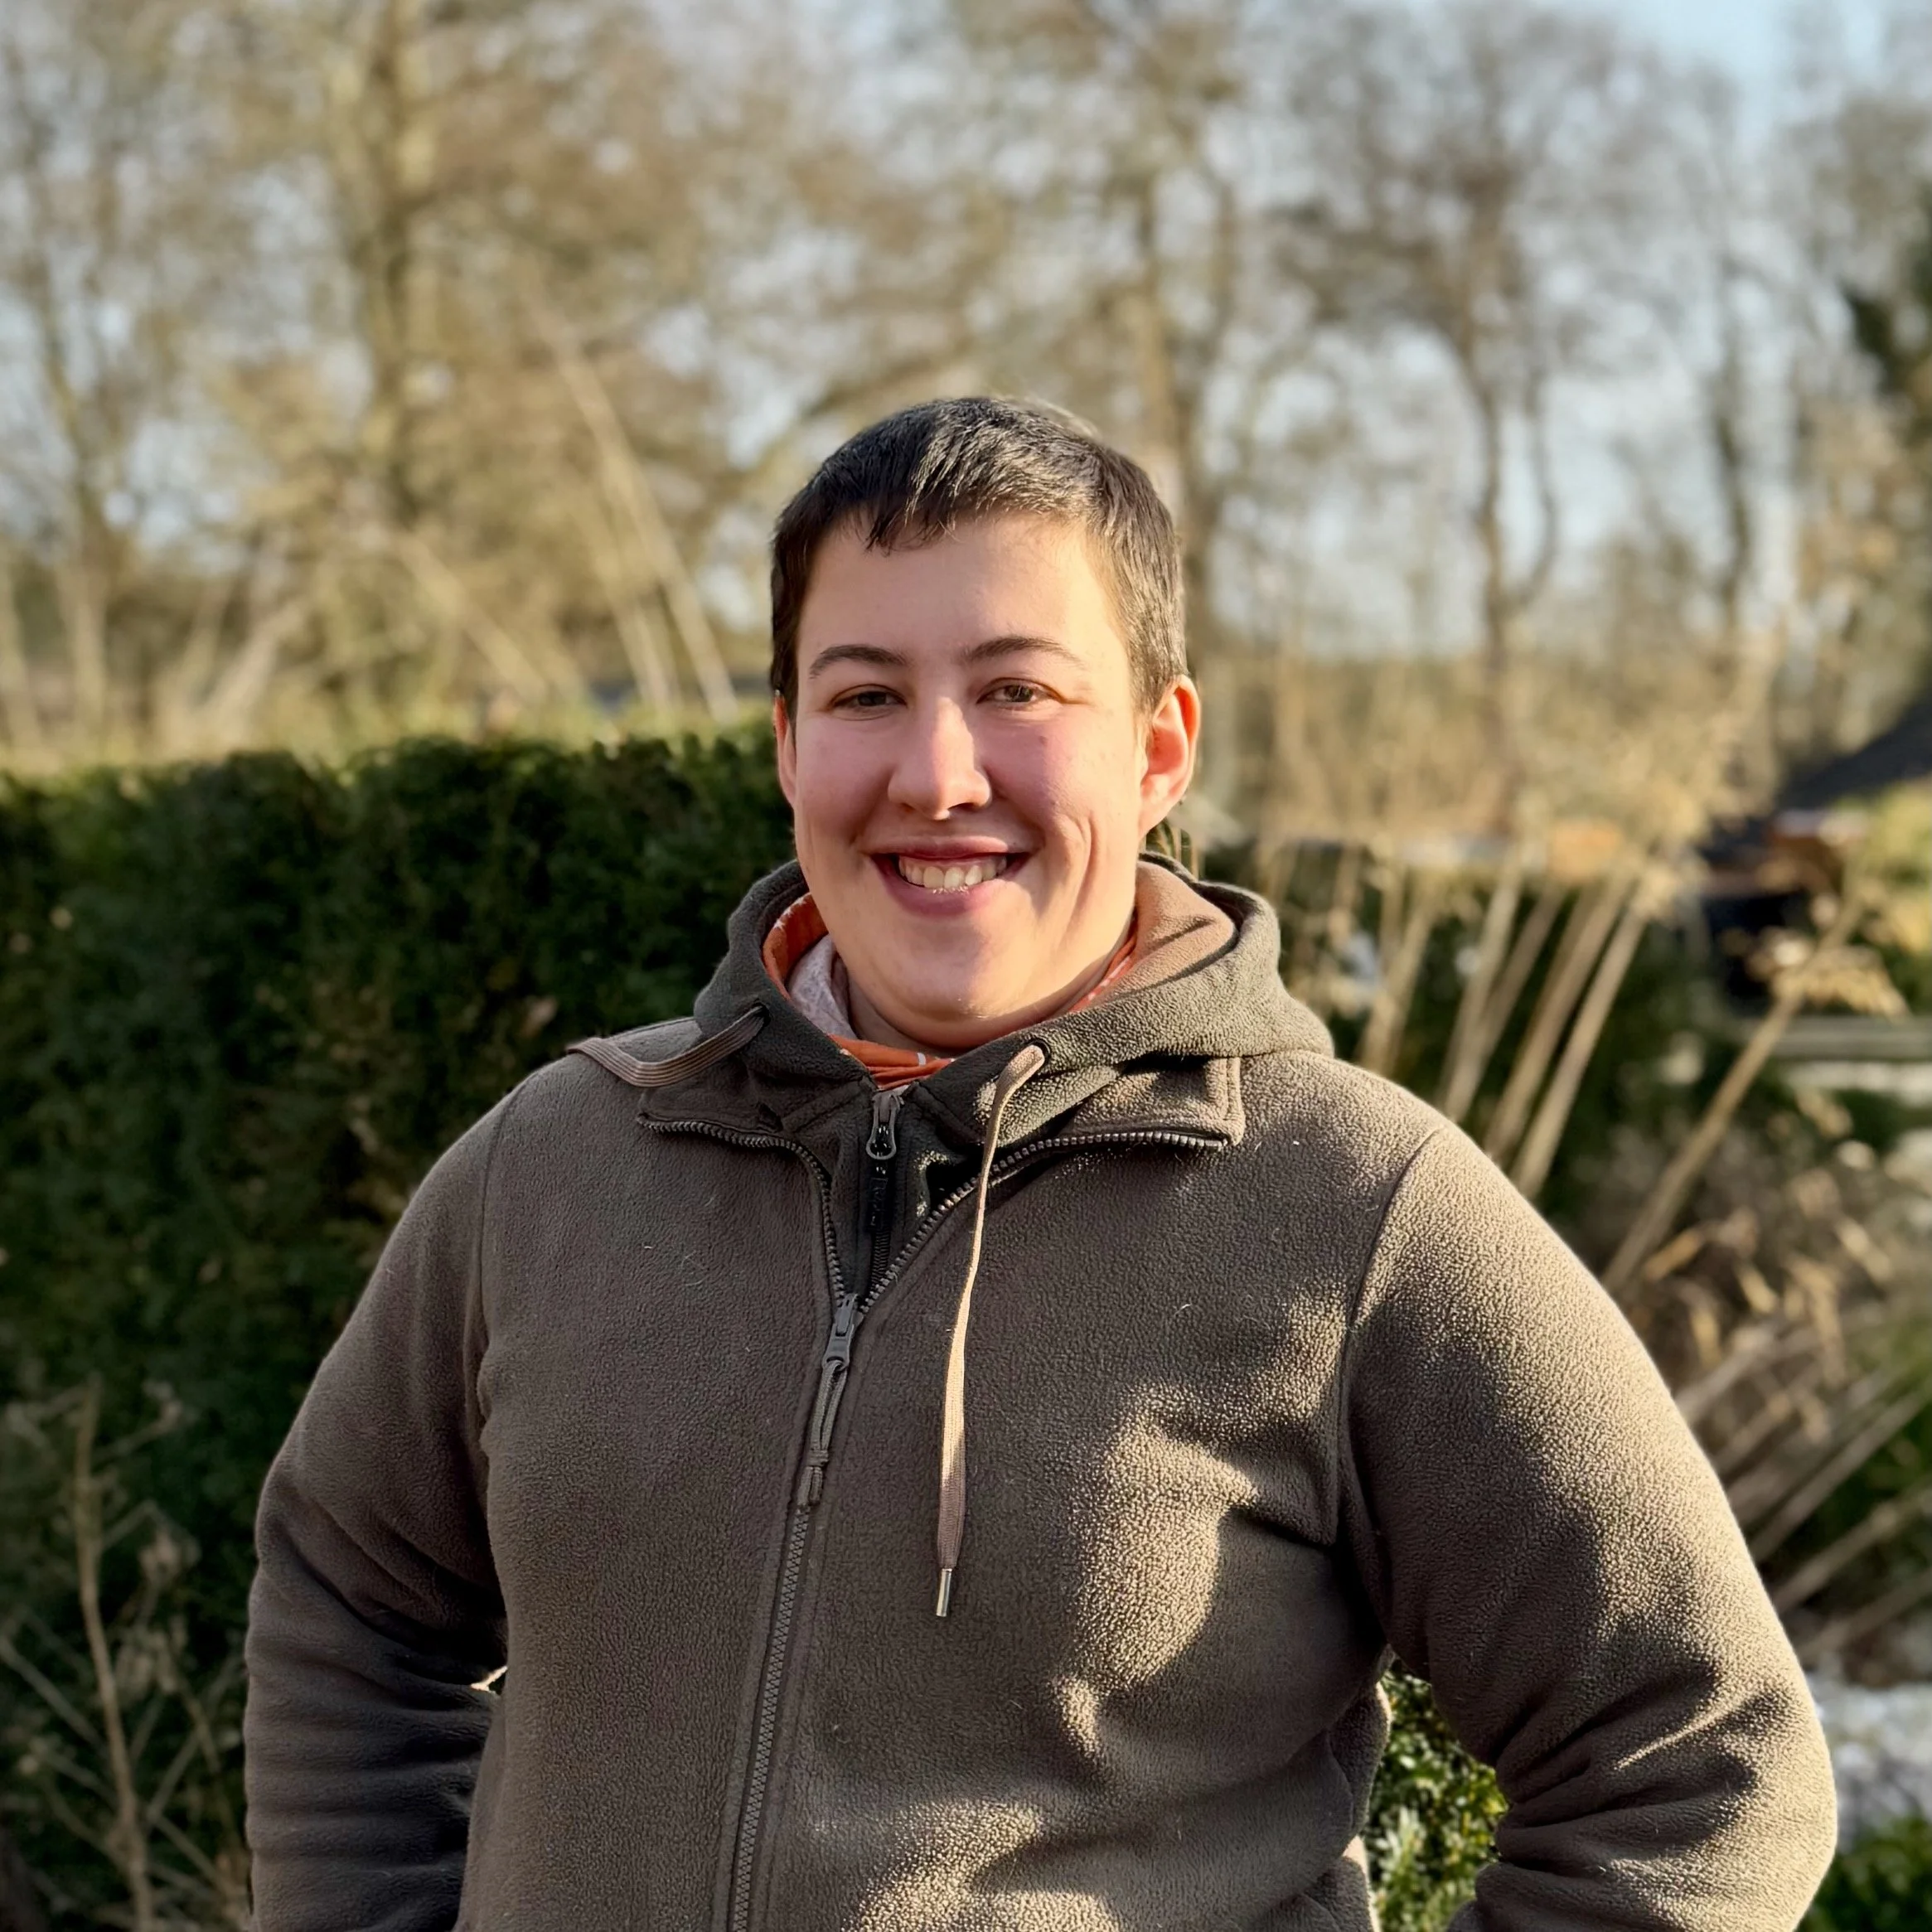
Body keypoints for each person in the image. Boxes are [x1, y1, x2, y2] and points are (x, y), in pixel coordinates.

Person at [244, 397, 1837, 1931]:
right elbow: (348, 1598)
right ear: (788, 745)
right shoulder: (555, 1168)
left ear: (1157, 750)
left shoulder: (1353, 1210)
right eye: (866, 695)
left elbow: (1703, 1762)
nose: (938, 774)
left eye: (1017, 691)